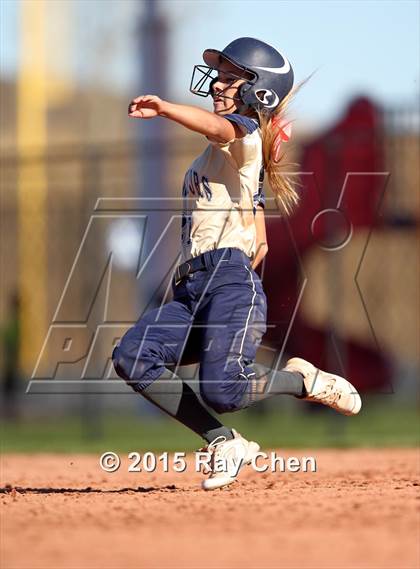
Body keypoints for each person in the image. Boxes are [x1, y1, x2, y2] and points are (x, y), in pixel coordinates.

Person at [113, 38, 361, 491]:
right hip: (190, 288)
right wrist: (256, 220)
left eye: (231, 77)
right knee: (134, 356)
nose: (218, 84)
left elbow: (223, 130)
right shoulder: (233, 151)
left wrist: (166, 108)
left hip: (227, 282)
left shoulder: (241, 130)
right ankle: (224, 442)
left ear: (257, 92)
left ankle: (301, 381)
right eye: (220, 74)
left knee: (223, 390)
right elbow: (246, 180)